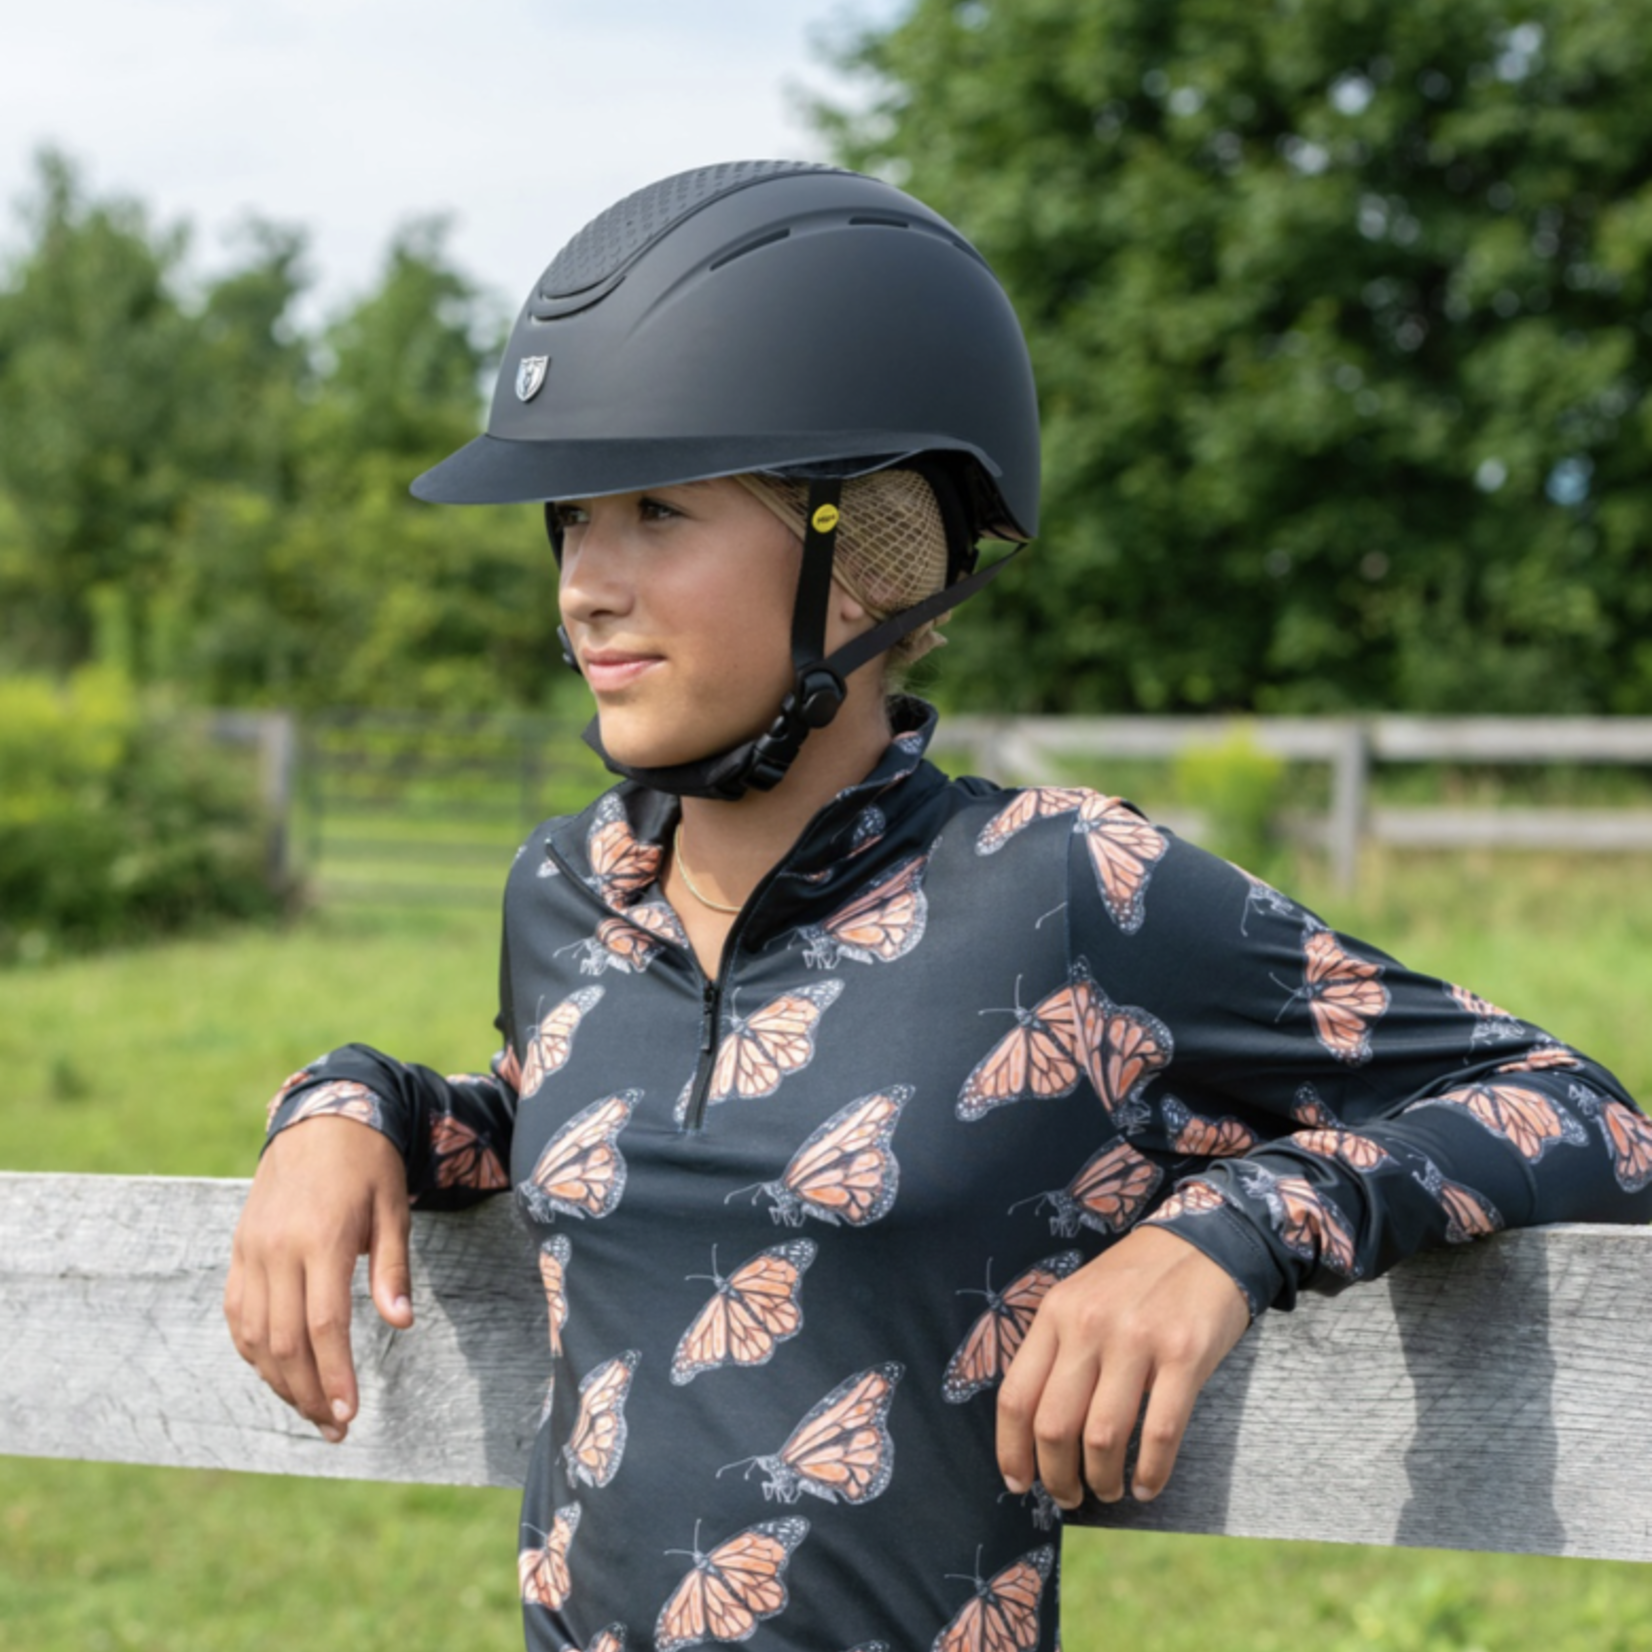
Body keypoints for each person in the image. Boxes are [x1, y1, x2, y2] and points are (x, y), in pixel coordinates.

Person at [225, 161, 1652, 1651]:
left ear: (877, 552)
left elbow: (1586, 1117)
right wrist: (347, 1110)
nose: (587, 581)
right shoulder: (570, 889)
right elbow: (568, 1131)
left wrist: (1231, 1231)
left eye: (656, 510)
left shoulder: (1064, 892)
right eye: (573, 520)